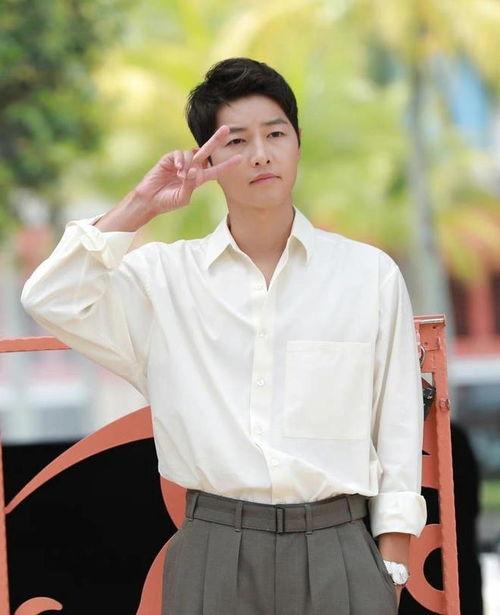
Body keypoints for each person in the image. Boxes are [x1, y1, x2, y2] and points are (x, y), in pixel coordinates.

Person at [20, 57, 427, 614]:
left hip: (340, 548)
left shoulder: (368, 275)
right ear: (207, 160)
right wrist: (140, 207)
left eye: (275, 134)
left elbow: (398, 424)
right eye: (236, 141)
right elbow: (49, 298)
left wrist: (392, 568)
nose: (260, 154)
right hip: (215, 551)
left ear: (298, 144)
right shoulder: (163, 280)